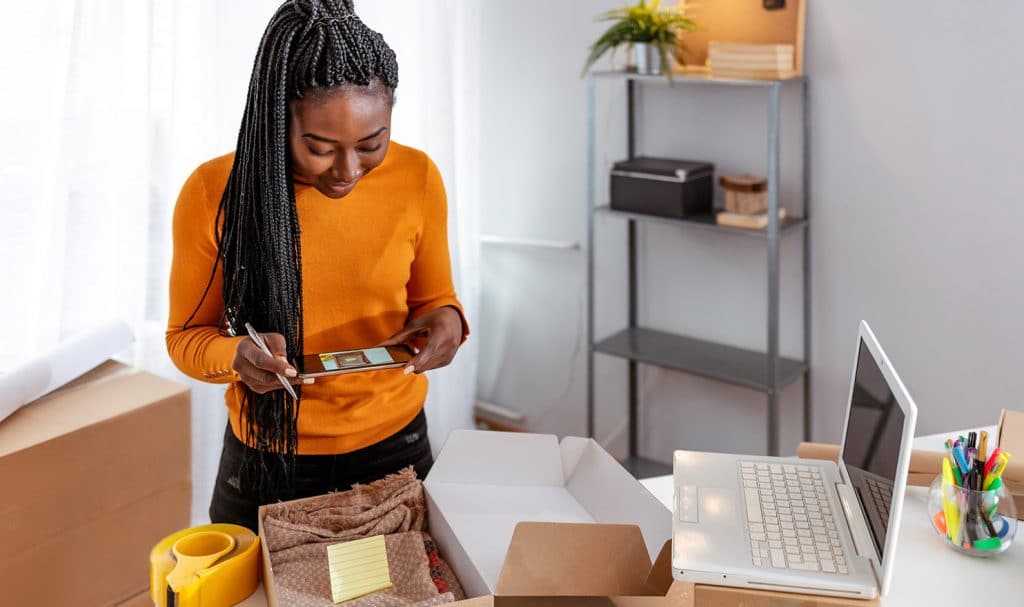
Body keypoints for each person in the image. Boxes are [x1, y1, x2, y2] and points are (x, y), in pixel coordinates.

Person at [165, 0, 468, 532]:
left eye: (371, 144)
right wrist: (236, 356)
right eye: (321, 147)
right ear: (276, 118)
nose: (347, 170)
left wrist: (449, 321)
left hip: (396, 445)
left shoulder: (417, 176)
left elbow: (435, 299)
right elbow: (185, 338)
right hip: (268, 457)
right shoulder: (215, 191)